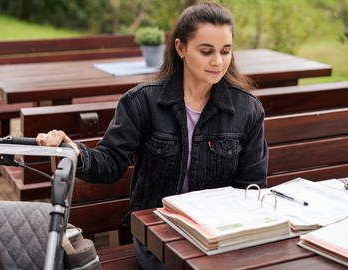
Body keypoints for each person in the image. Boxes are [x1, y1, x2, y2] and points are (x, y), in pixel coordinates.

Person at [36, 2, 268, 269]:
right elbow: (110, 162)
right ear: (181, 48)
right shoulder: (143, 102)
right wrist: (75, 151)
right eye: (207, 51)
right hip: (157, 235)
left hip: (219, 236)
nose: (218, 61)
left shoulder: (247, 110)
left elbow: (252, 186)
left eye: (225, 51)